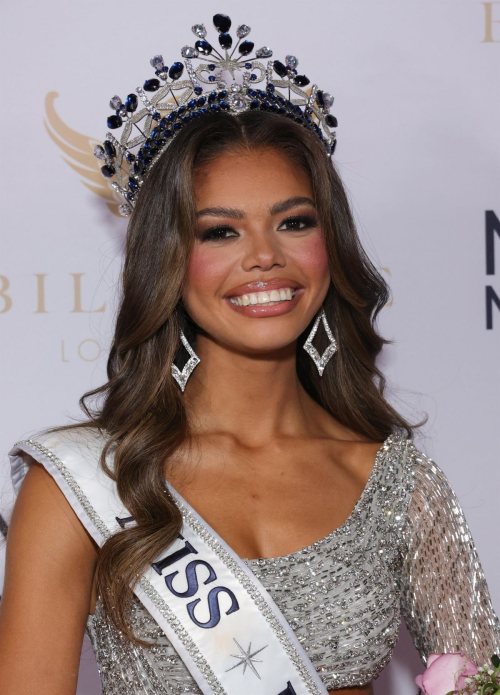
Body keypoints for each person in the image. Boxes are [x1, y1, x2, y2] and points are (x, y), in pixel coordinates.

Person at [0, 12, 498, 695]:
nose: (265, 257)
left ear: (331, 243)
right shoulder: (83, 486)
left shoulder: (400, 486)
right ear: (169, 262)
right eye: (219, 232)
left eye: (294, 222)